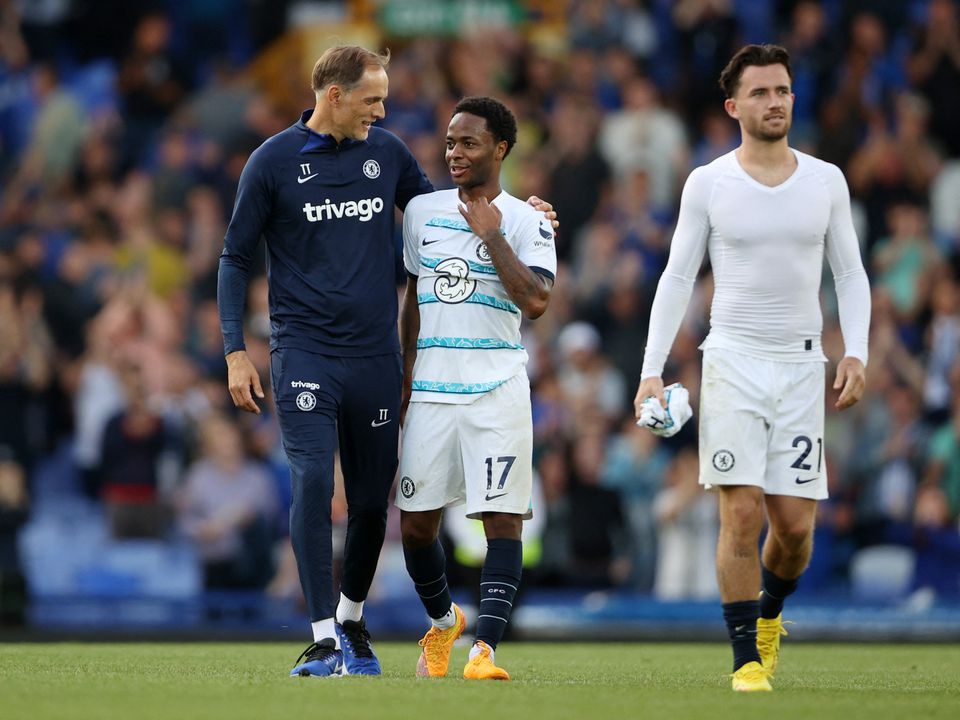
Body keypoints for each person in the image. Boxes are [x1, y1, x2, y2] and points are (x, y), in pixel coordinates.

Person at [217, 47, 555, 678]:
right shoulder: (273, 161)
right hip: (306, 350)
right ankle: (322, 638)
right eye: (373, 99)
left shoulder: (388, 156)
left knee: (374, 504)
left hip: (374, 356)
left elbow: (443, 223)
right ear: (335, 95)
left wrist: (519, 218)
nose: (383, 109)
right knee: (315, 480)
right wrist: (236, 349)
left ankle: (350, 619)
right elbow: (235, 258)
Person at [632, 44, 870, 692]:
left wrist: (856, 352)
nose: (774, 102)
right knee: (740, 514)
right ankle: (746, 659)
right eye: (761, 92)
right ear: (735, 106)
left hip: (800, 368)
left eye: (783, 90)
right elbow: (679, 274)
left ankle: (769, 614)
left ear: (794, 98)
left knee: (793, 530)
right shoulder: (710, 181)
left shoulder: (825, 180)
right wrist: (652, 369)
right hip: (732, 362)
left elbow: (849, 272)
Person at [396, 96, 556, 681]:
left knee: (501, 519)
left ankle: (484, 650)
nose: (455, 153)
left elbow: (537, 301)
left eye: (469, 142)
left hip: (497, 388)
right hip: (432, 391)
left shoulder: (529, 219)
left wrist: (493, 237)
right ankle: (443, 623)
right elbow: (412, 298)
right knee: (416, 524)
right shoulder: (420, 213)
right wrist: (405, 375)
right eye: (450, 142)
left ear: (501, 148)